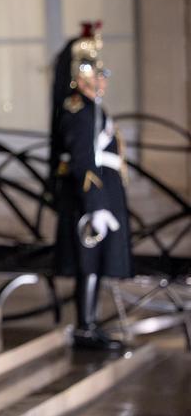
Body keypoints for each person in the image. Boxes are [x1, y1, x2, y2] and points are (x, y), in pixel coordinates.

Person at [50, 21, 131, 350]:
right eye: (96, 74)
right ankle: (85, 326)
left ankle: (91, 322)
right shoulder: (79, 111)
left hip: (103, 193)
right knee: (90, 265)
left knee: (97, 264)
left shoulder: (93, 109)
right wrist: (95, 204)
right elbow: (83, 160)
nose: (102, 81)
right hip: (89, 197)